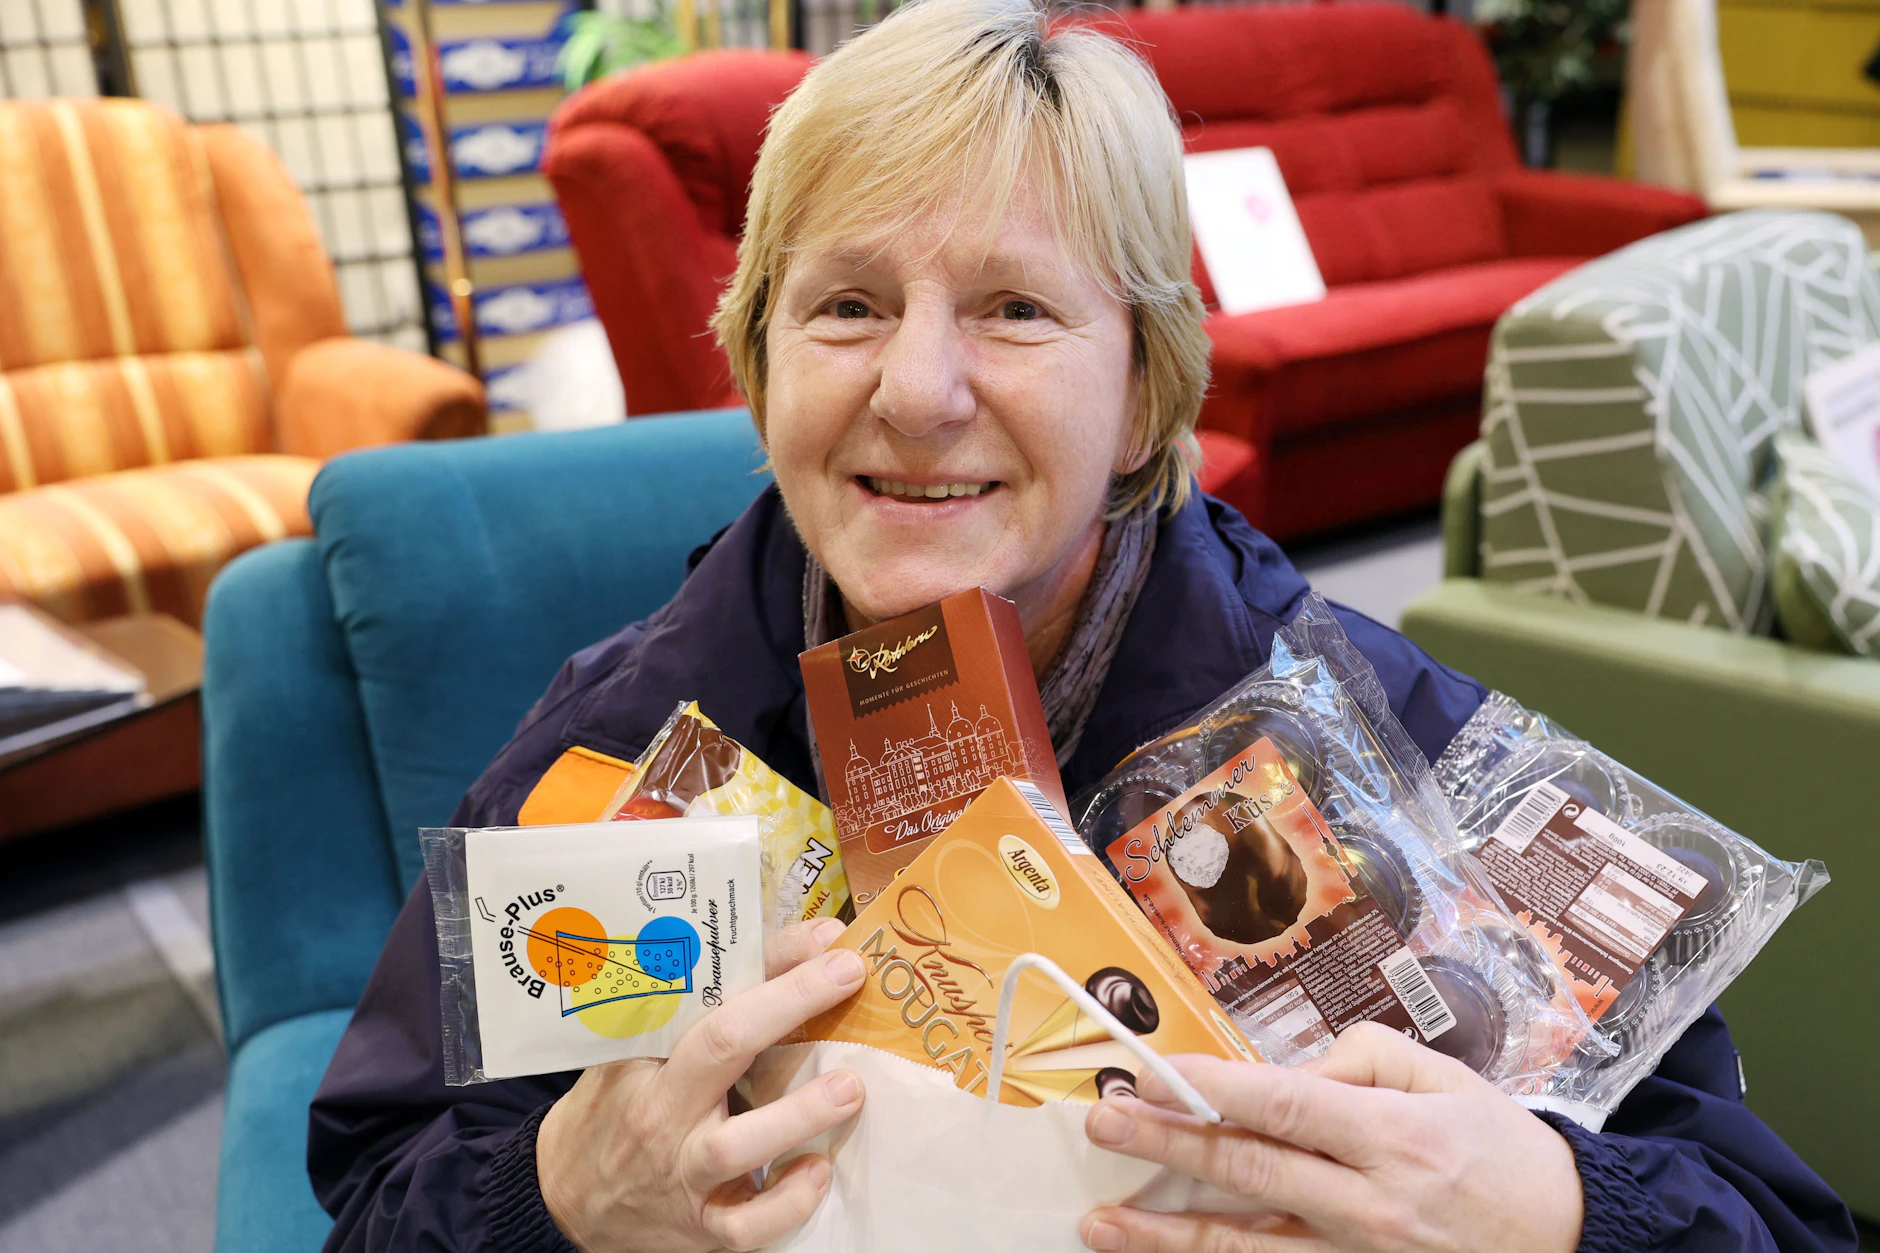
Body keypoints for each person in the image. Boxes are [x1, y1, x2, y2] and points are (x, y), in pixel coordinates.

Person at [306, 1, 1858, 1250]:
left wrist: (1555, 1216)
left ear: (1146, 396)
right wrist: (551, 1204)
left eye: (1016, 310)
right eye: (846, 305)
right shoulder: (629, 752)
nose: (918, 390)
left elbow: (1772, 1217)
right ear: (761, 363)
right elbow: (377, 1189)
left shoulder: (1379, 752)